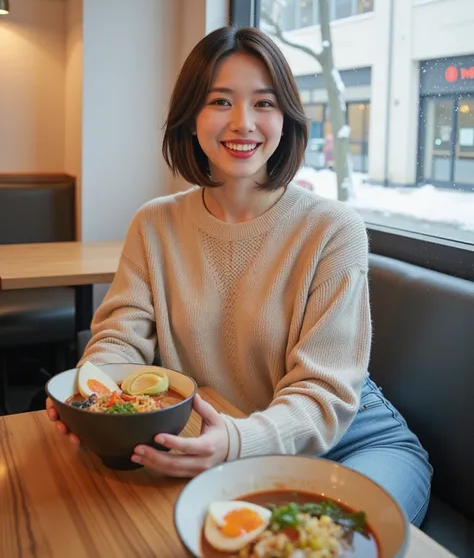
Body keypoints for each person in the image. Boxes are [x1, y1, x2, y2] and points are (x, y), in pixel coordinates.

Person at [47, 26, 432, 525]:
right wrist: (93, 396)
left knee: (316, 545)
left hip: (352, 443)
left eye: (264, 103)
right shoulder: (154, 224)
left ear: (285, 117)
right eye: (221, 101)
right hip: (231, 445)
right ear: (191, 118)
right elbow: (120, 340)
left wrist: (233, 440)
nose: (243, 123)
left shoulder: (334, 230)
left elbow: (324, 394)